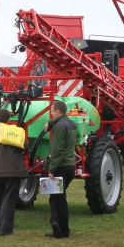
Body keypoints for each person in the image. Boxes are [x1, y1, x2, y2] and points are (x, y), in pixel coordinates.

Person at [46, 100, 77, 238]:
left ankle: (58, 229)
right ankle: (64, 230)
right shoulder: (71, 124)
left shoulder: (59, 127)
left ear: (58, 111)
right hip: (70, 165)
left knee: (56, 198)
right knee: (61, 197)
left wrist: (51, 169)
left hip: (61, 166)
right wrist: (51, 123)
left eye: (52, 111)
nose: (51, 114)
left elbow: (57, 150)